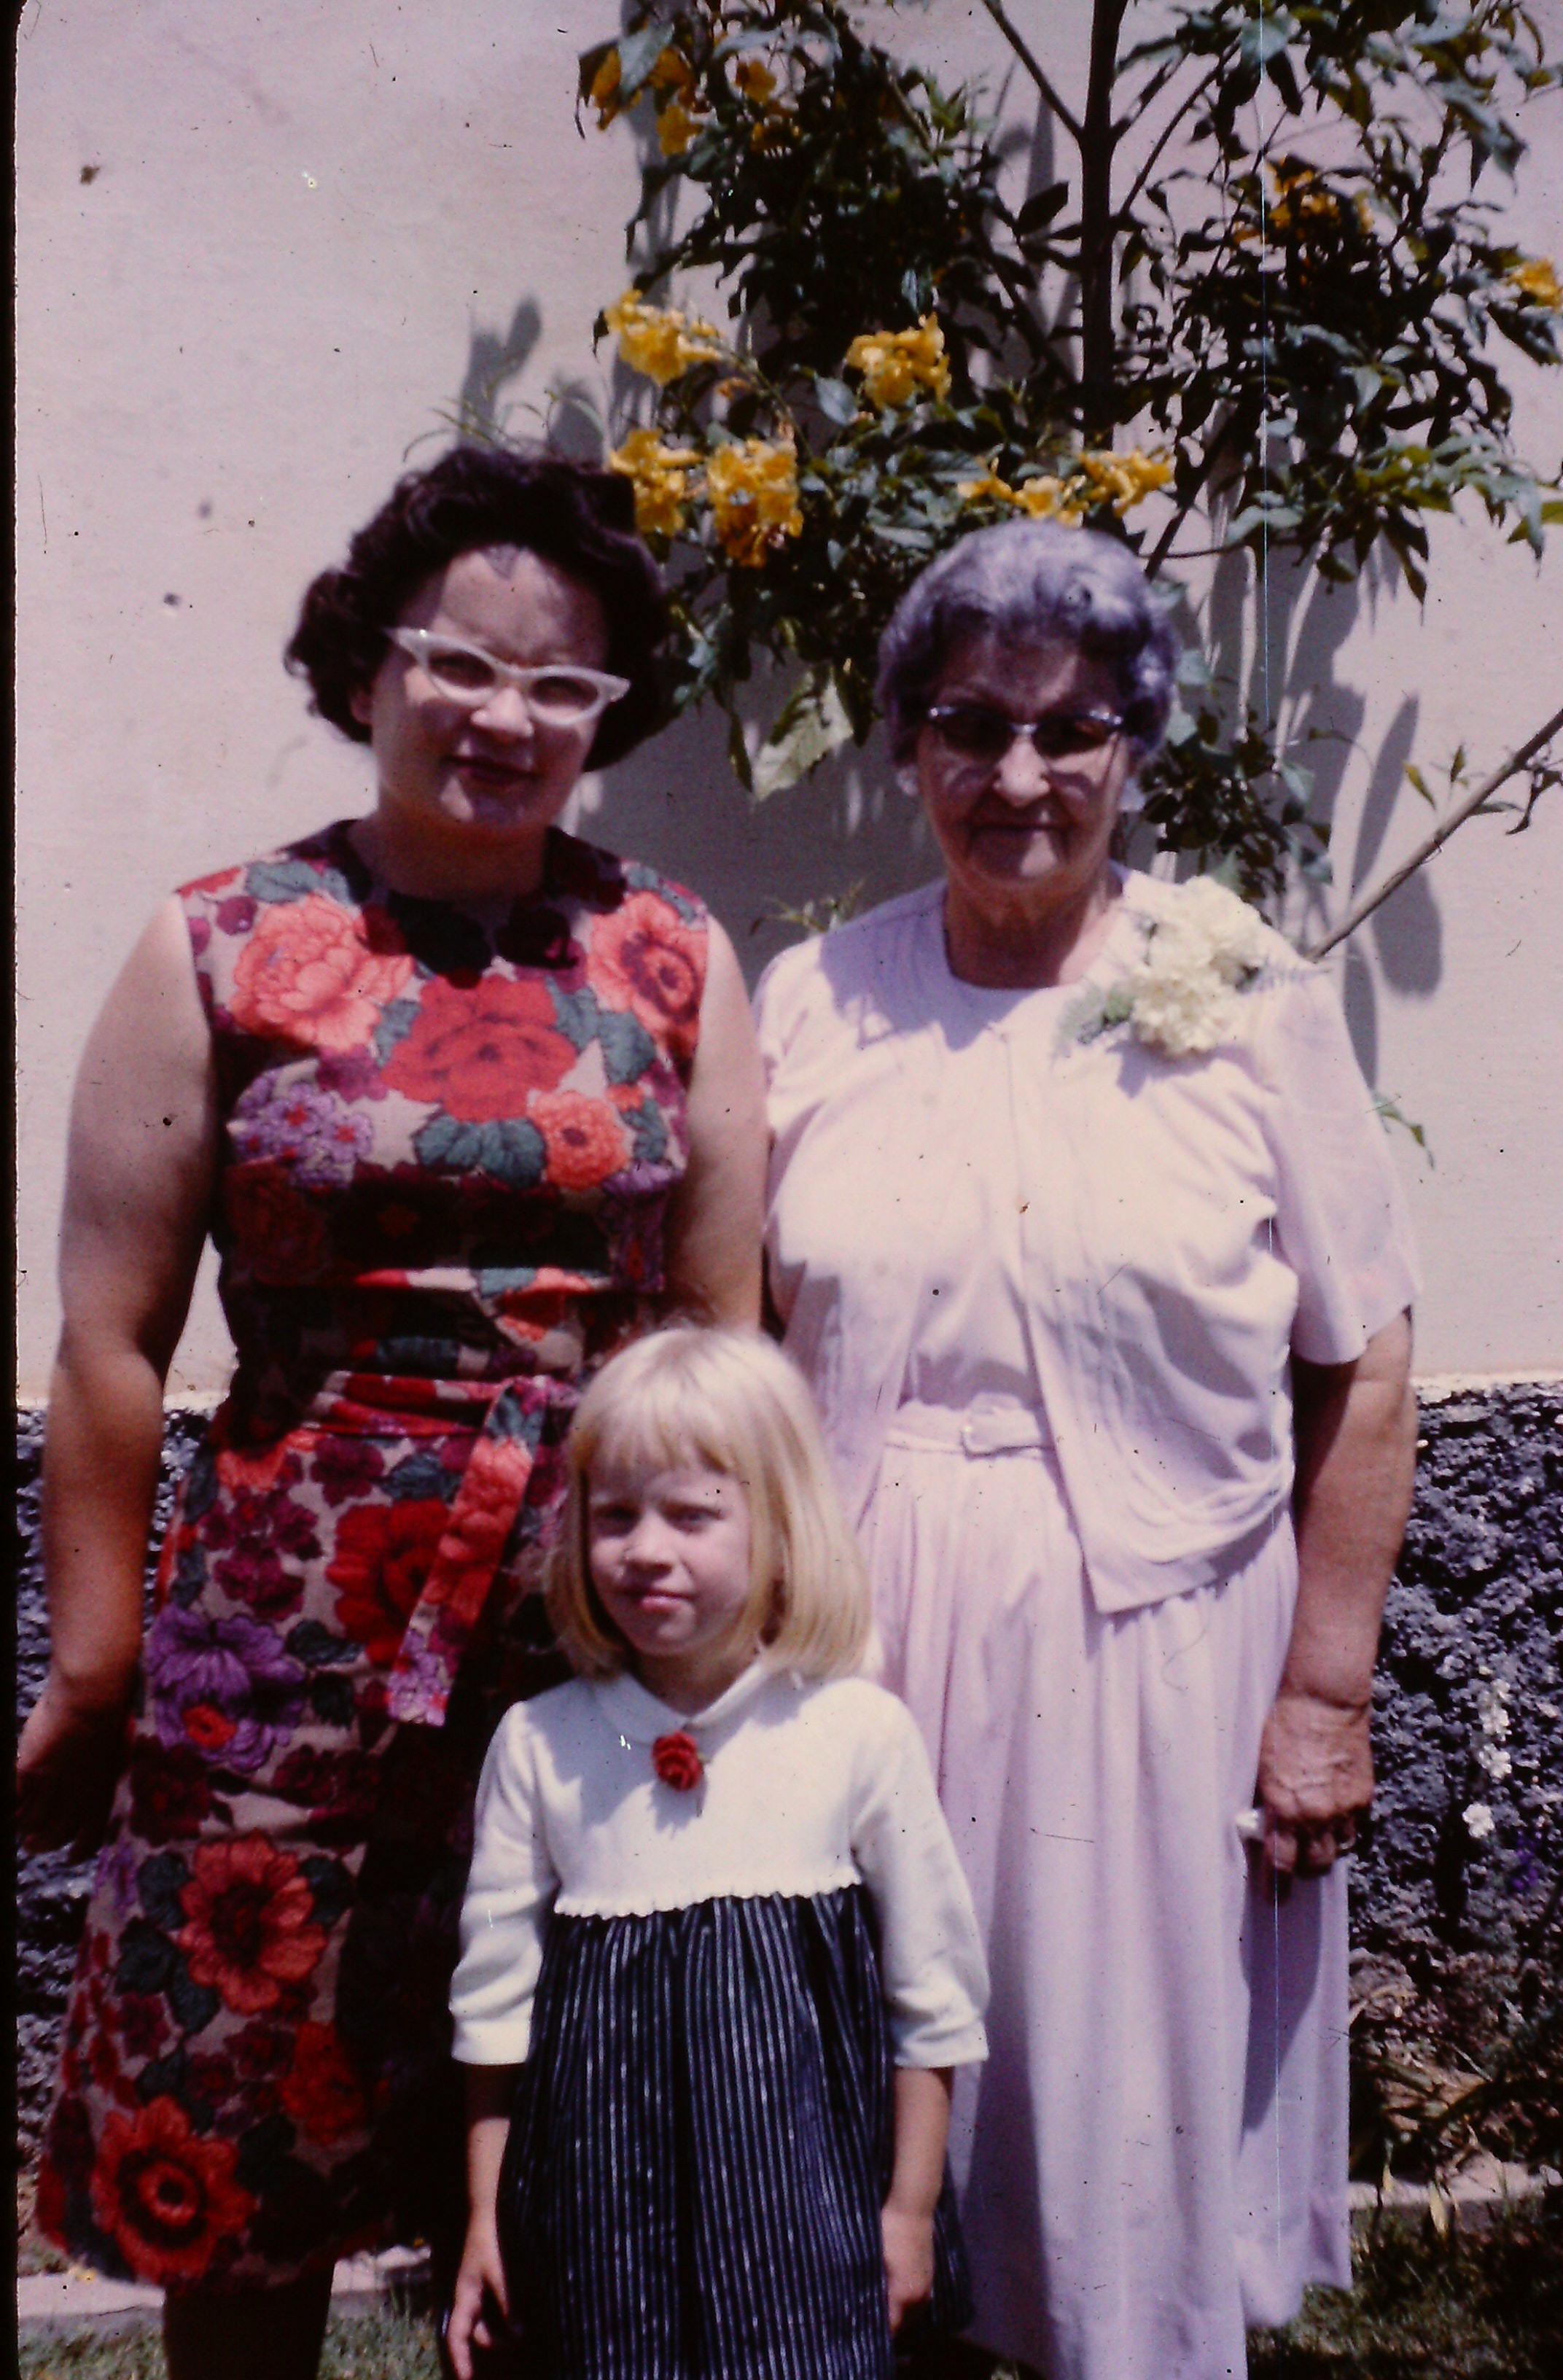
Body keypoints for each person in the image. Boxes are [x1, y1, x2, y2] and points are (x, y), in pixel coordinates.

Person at [17, 443, 767, 2380]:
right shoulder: (219, 944)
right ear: (368, 667)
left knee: (581, 2155)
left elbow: (718, 1329)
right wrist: (93, 1671)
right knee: (239, 2144)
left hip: (598, 1626)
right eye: (459, 663)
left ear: (606, 715)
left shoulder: (671, 958)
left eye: (560, 683)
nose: (504, 717)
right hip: (280, 1648)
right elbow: (110, 1341)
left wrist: (737, 1645)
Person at [755, 518, 1420, 2380]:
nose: (1019, 775)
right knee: (855, 2122)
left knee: (1111, 2141)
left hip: (1151, 1646)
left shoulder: (1245, 998)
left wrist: (1327, 1693)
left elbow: (1365, 1361)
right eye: (971, 725)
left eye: (1071, 730)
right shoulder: (812, 1002)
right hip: (860, 1638)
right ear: (908, 742)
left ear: (1136, 746)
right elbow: (728, 1345)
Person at [445, 1324, 989, 2380]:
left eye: (692, 1515)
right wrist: (484, 2215)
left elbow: (934, 1999)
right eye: (616, 1515)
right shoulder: (542, 1745)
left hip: (808, 2220)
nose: (647, 1549)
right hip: (601, 2220)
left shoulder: (854, 1734)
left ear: (779, 1530)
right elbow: (493, 2010)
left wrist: (911, 2208)